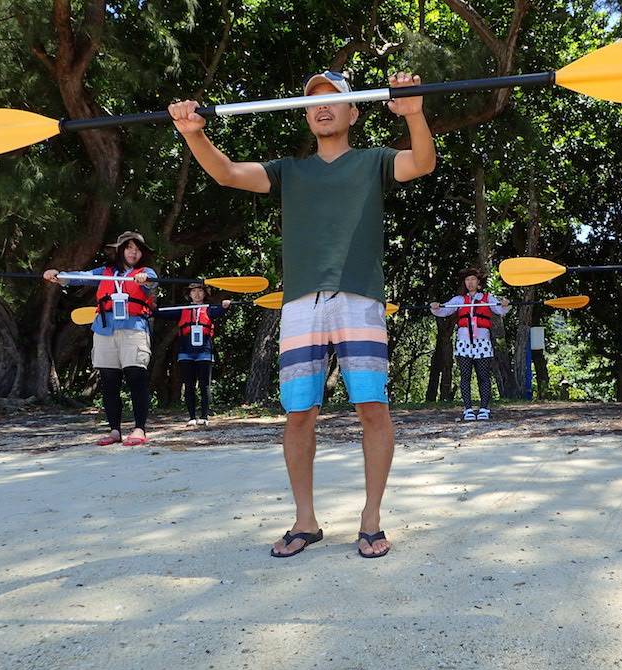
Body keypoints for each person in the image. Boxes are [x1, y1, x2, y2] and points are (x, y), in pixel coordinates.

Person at [168, 68, 435, 558]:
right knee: (298, 414)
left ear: (355, 111)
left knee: (372, 409)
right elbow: (226, 172)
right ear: (306, 115)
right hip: (301, 305)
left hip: (360, 298)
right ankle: (305, 521)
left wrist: (414, 113)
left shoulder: (374, 161)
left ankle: (371, 518)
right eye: (314, 101)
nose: (323, 106)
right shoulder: (289, 171)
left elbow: (421, 162)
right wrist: (194, 134)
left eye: (335, 99)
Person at [44, 231, 158, 446]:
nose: (133, 252)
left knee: (136, 379)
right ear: (120, 250)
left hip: (133, 329)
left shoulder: (146, 271)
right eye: (129, 248)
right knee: (109, 382)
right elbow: (81, 276)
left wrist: (145, 280)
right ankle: (114, 430)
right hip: (105, 331)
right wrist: (59, 276)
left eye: (137, 249)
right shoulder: (105, 272)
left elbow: (151, 283)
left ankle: (139, 429)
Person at [430, 268, 510, 420]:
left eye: (473, 280)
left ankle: (484, 409)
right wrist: (436, 307)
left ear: (478, 282)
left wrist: (504, 304)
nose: (470, 283)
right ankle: (467, 409)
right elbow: (444, 310)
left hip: (482, 342)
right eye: (467, 280)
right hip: (464, 342)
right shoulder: (459, 300)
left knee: (484, 376)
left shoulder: (487, 298)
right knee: (465, 376)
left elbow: (500, 310)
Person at [153, 283, 231, 426]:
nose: (197, 294)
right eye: (194, 291)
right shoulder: (182, 310)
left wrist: (225, 306)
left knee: (204, 385)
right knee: (189, 385)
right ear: (189, 294)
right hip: (185, 352)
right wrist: (150, 308)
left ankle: (204, 417)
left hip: (204, 352)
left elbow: (220, 311)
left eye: (200, 291)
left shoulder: (209, 310)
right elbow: (161, 313)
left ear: (205, 294)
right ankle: (192, 417)